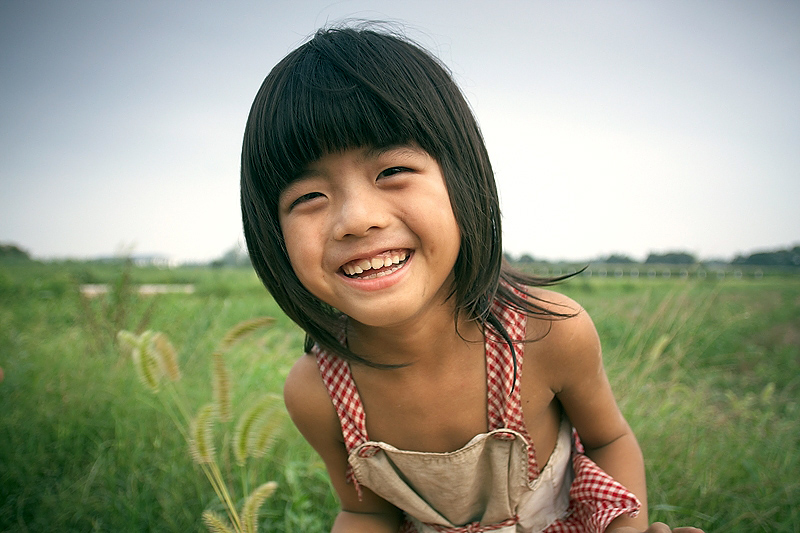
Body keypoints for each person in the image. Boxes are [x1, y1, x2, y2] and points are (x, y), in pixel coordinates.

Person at [240, 25, 703, 533]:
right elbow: (364, 510)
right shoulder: (318, 393)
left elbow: (611, 441)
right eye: (307, 197)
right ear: (271, 237)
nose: (356, 218)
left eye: (392, 170)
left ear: (464, 178)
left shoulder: (549, 332)